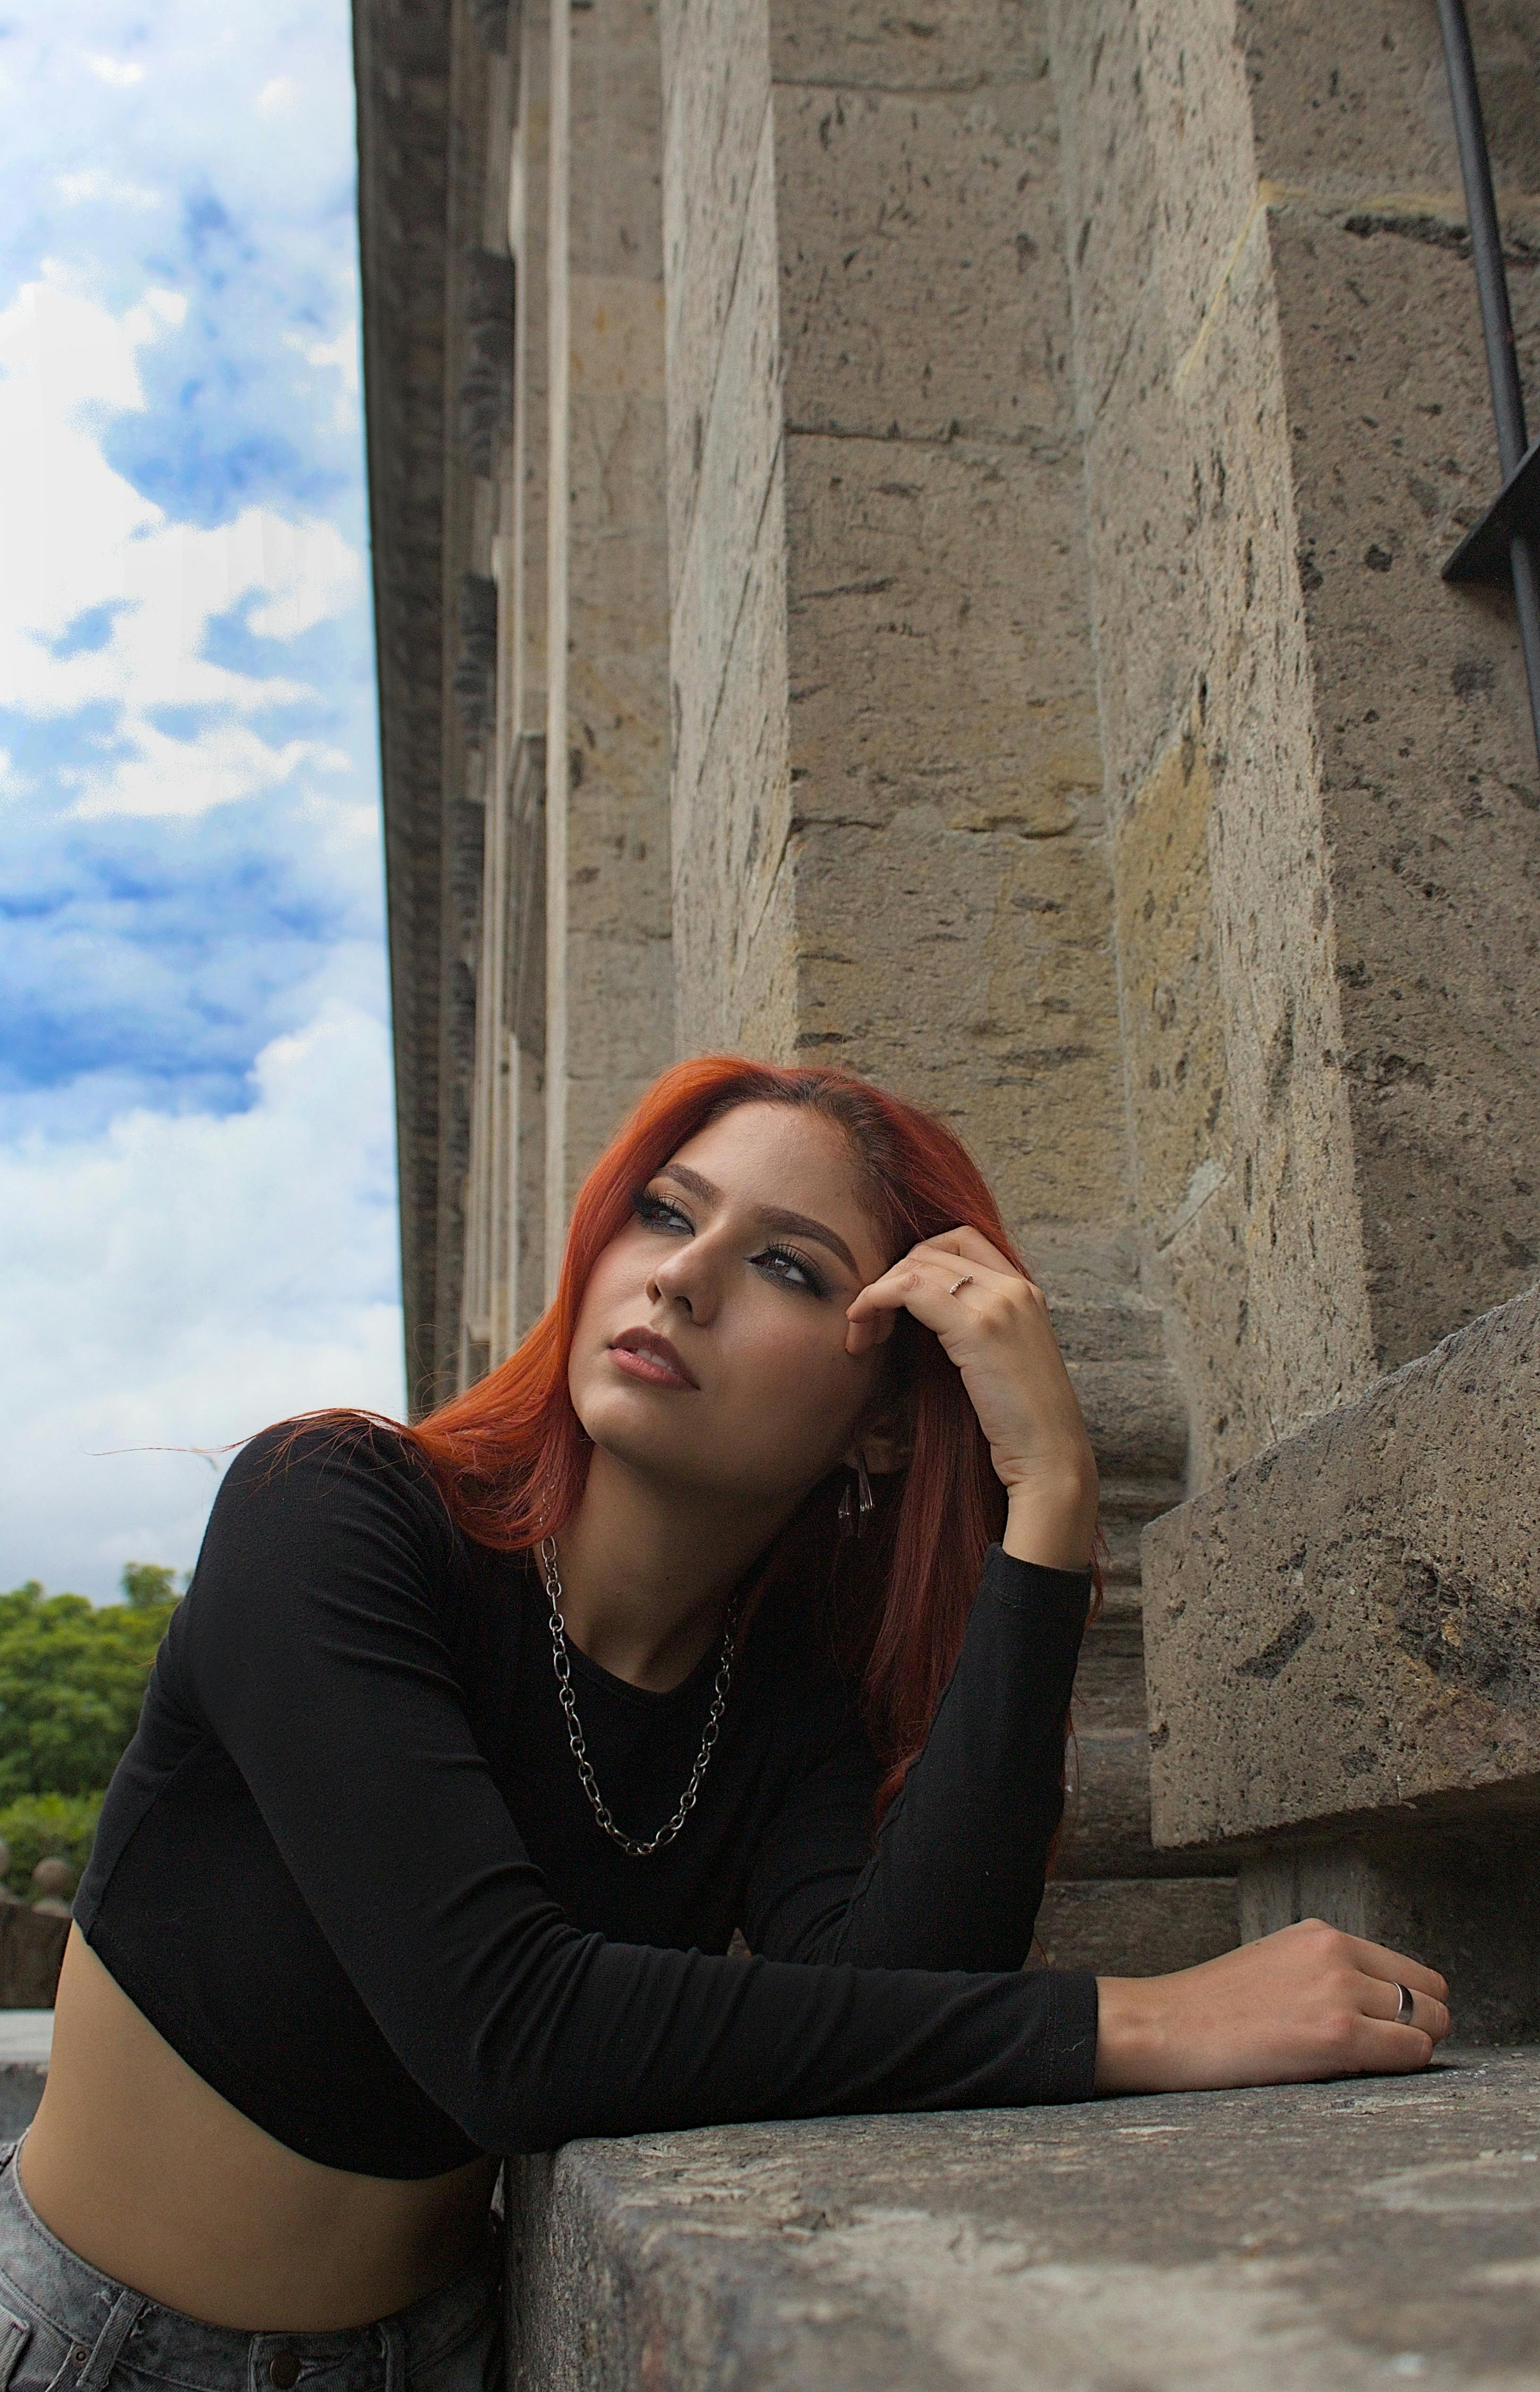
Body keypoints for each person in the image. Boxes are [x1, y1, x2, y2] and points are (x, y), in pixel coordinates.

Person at [10, 1058, 1448, 2387]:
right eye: (662, 1211)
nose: (681, 1276)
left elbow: (908, 1984)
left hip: (444, 2350)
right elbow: (507, 2031)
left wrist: (1053, 1504)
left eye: (784, 1263)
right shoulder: (329, 1512)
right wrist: (1141, 2018)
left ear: (886, 1416)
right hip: (89, 2345)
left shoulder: (779, 1699)